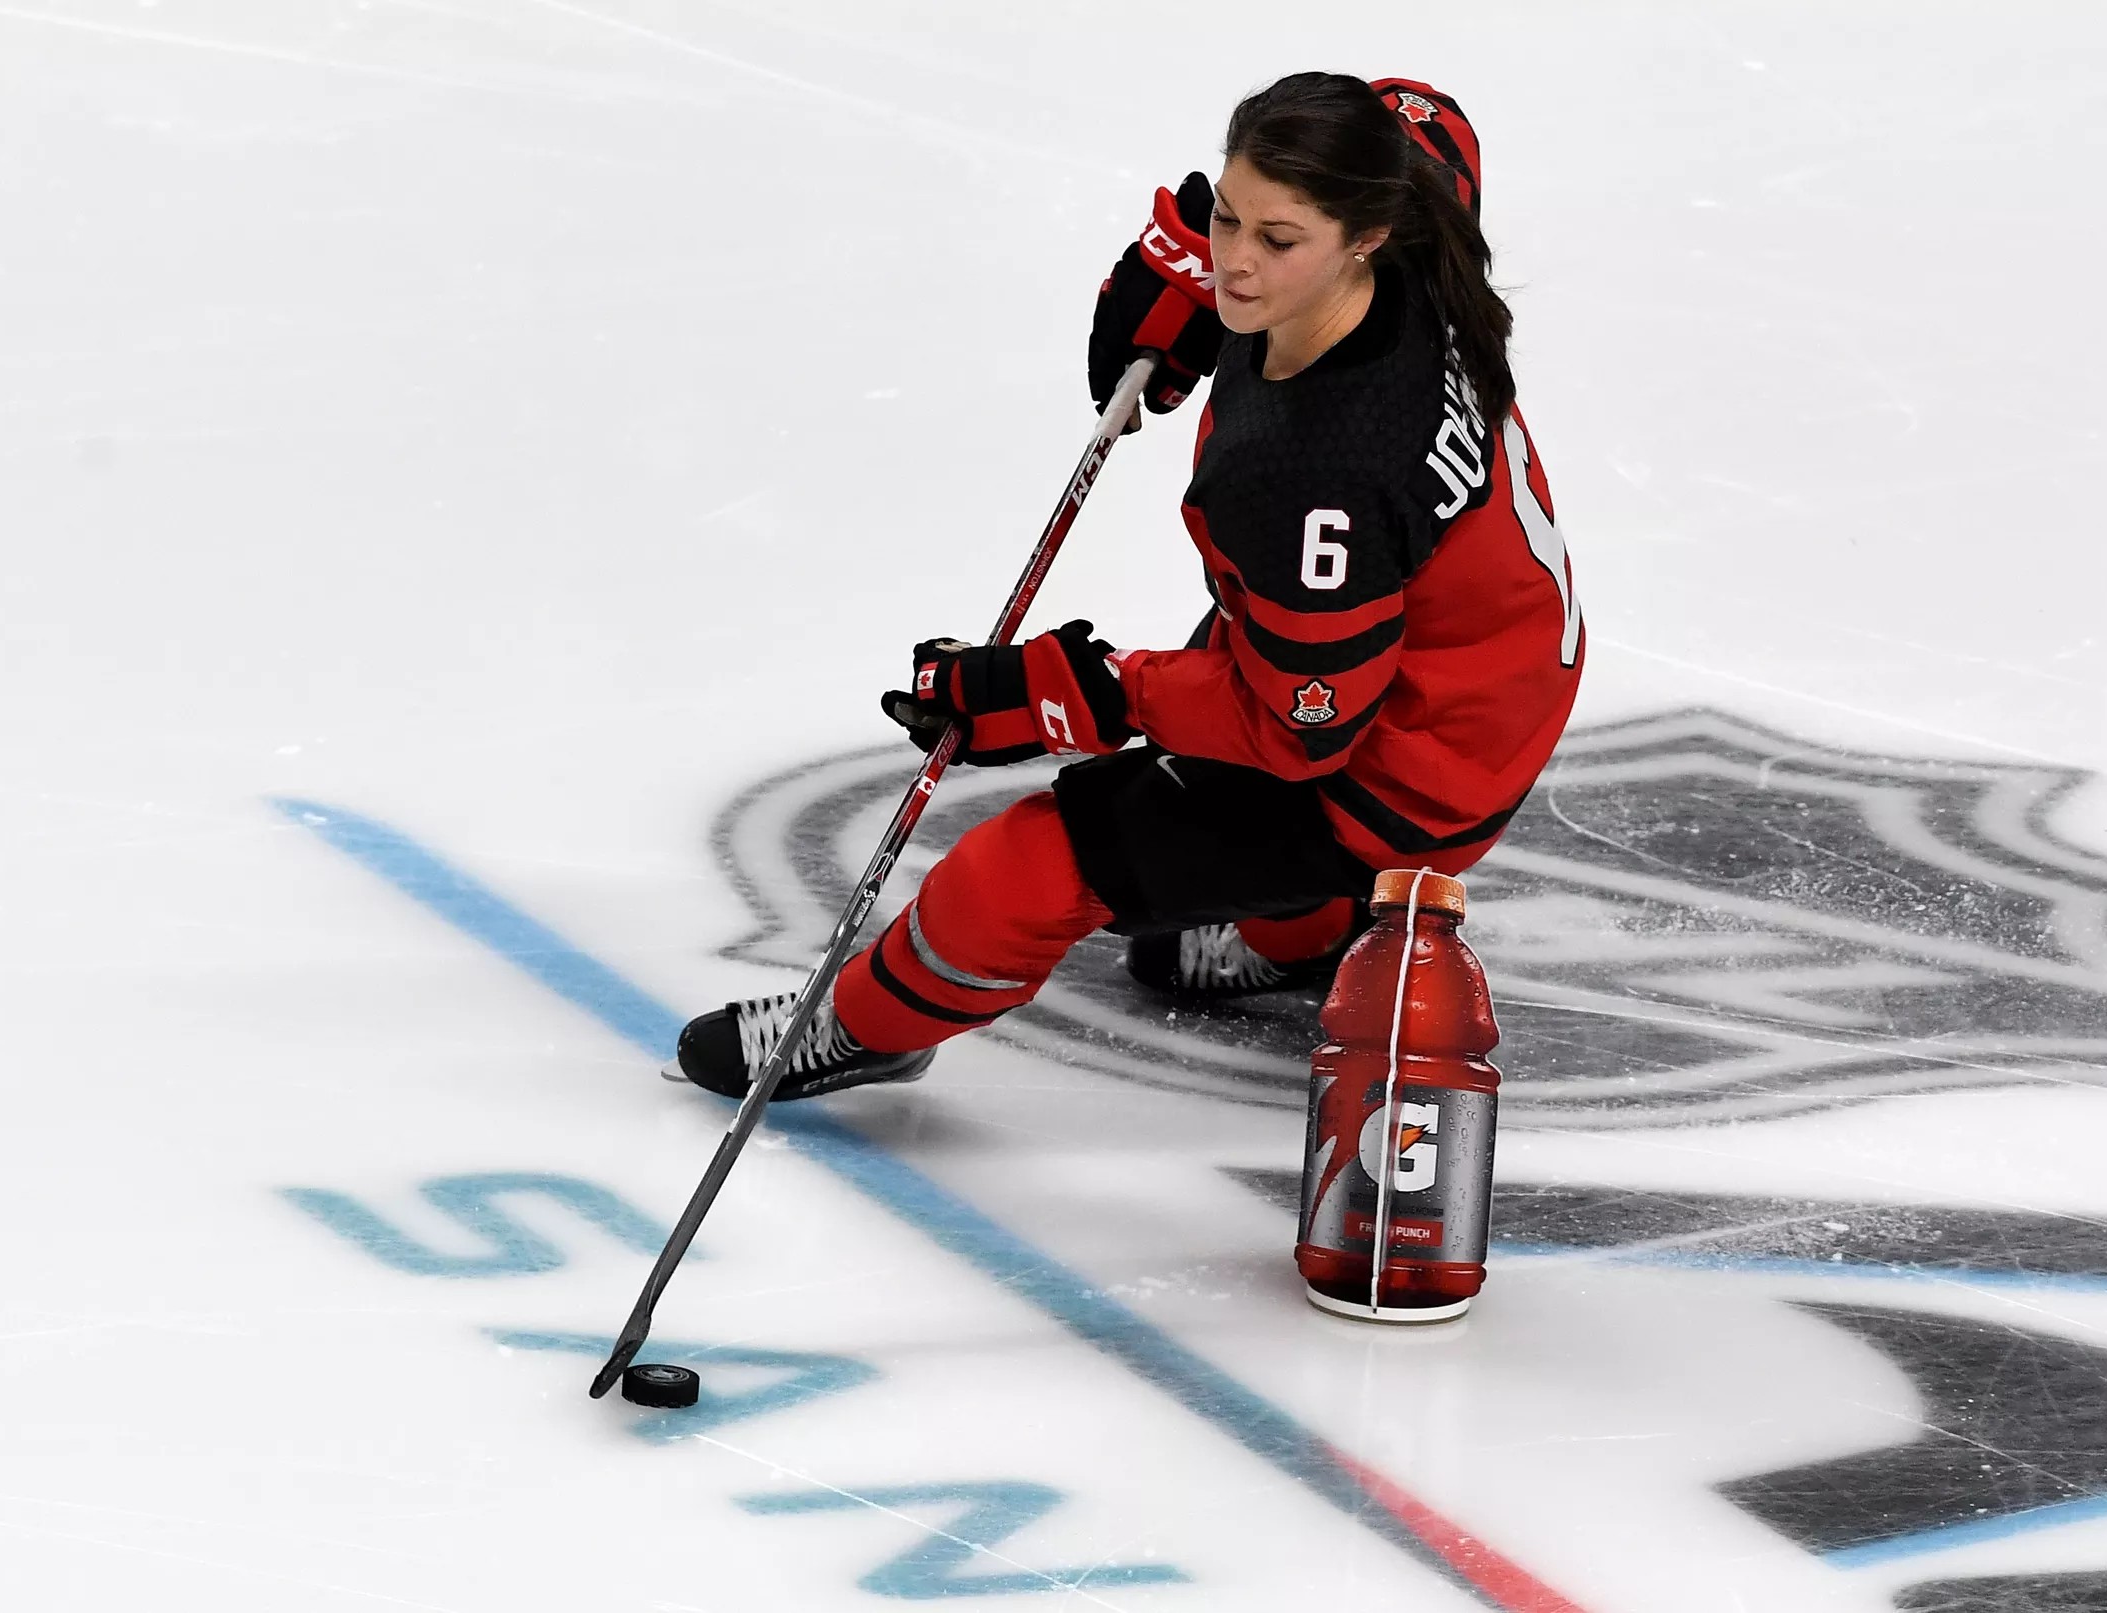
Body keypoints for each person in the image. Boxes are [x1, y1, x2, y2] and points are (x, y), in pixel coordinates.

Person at [672, 71, 1583, 1101]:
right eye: (1228, 216)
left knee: (1034, 859)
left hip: (1404, 771)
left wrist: (1087, 692)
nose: (1237, 259)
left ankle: (861, 1027)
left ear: (1366, 231)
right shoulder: (1411, 233)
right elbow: (1421, 115)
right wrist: (1183, 256)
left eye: (1275, 242)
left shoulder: (1307, 473)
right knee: (1232, 692)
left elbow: (1300, 733)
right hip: (1479, 666)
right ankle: (1303, 934)